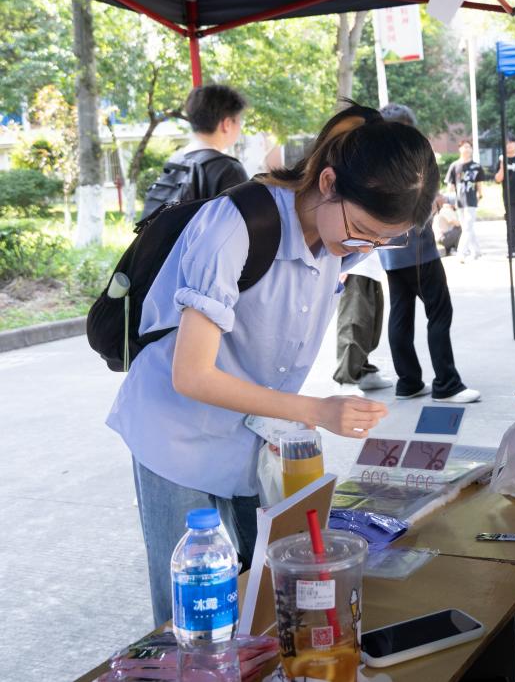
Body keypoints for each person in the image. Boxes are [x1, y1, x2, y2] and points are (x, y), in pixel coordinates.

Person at [106, 102, 438, 626]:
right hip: (176, 436)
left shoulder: (342, 238)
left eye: (381, 241)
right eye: (362, 231)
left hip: (250, 436)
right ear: (328, 181)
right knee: (191, 615)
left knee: (265, 601)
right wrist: (317, 411)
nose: (364, 248)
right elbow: (191, 374)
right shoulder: (236, 226)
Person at [377, 103, 480, 404]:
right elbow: (420, 206)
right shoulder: (409, 160)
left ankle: (408, 382)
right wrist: (435, 203)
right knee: (439, 312)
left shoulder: (375, 160)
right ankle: (447, 384)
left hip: (389, 249)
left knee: (400, 314)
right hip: (417, 250)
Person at [140, 84, 249, 218]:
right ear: (226, 124)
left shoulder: (176, 160)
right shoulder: (229, 170)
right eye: (238, 120)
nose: (240, 127)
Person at [333, 250, 392, 393]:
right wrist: (341, 263)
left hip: (371, 266)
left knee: (370, 326)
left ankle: (363, 372)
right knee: (353, 323)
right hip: (355, 267)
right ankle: (346, 381)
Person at [446, 139, 485, 262]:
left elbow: (479, 184)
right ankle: (477, 251)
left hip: (472, 201)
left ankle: (461, 253)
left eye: (469, 147)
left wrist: (480, 196)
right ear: (460, 149)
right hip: (459, 202)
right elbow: (450, 185)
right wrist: (449, 201)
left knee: (467, 227)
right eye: (464, 147)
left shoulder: (477, 166)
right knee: (467, 228)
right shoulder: (454, 166)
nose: (467, 149)